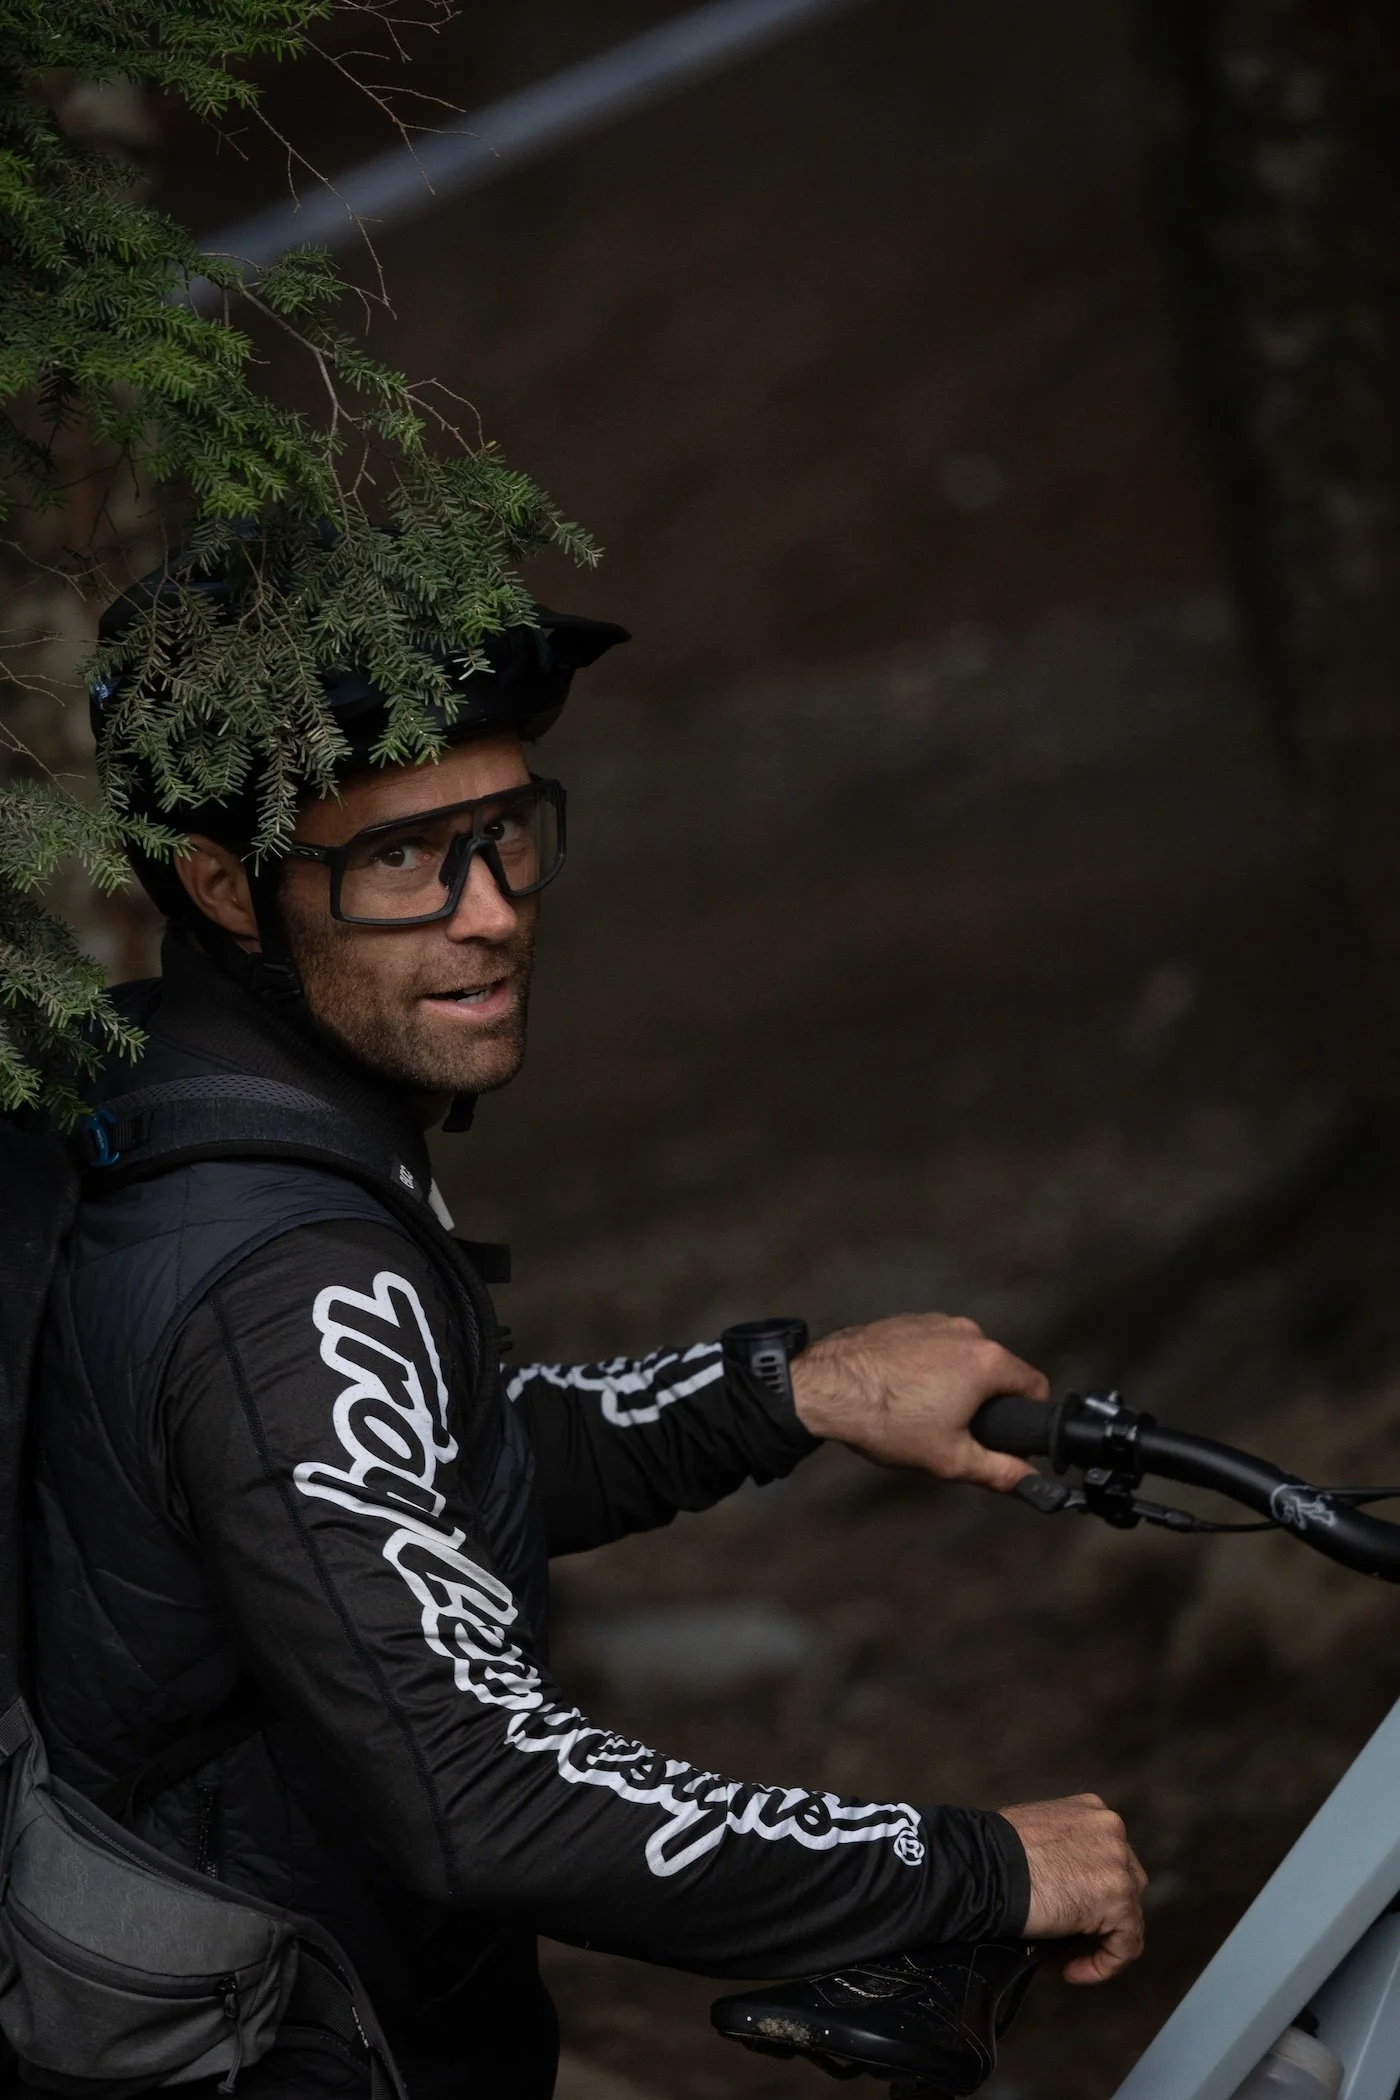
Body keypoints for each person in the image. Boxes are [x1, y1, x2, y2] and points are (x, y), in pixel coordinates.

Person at [31, 576, 1145, 2099]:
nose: (488, 908)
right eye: (401, 857)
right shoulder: (277, 1279)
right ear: (226, 889)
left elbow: (396, 1484)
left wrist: (790, 1392)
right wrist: (963, 1868)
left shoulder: (181, 1105)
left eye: (502, 834)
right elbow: (475, 1789)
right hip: (289, 2050)